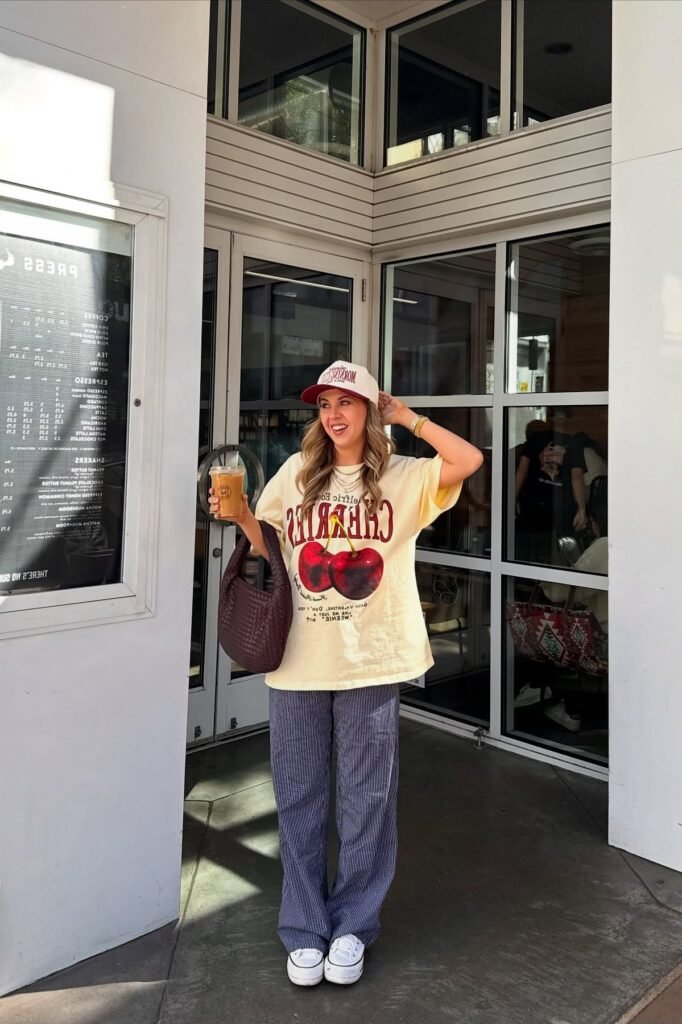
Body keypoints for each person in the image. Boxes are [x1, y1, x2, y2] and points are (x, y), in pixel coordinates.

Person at [209, 360, 482, 988]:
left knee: (367, 803)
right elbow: (269, 543)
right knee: (299, 800)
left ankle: (354, 925)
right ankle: (304, 927)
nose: (334, 414)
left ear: (368, 409)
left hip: (371, 659)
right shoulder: (298, 474)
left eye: (347, 402)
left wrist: (407, 417)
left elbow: (466, 459)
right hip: (299, 663)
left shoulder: (403, 478)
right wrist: (242, 518)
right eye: (325, 404)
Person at [514, 410, 588, 566]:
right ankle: (545, 585)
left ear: (550, 419)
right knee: (555, 553)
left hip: (535, 502)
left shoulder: (537, 439)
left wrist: (513, 498)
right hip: (557, 506)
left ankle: (531, 584)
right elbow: (577, 478)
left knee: (530, 551)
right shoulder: (573, 443)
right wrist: (581, 509)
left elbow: (522, 471)